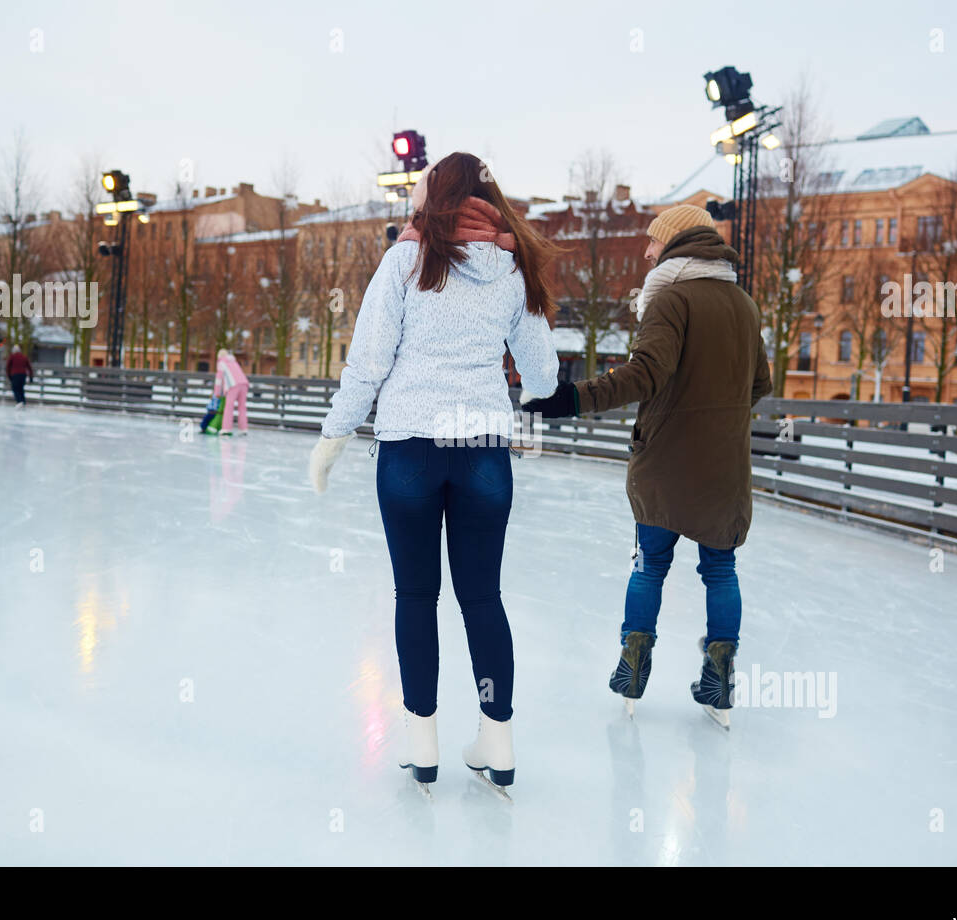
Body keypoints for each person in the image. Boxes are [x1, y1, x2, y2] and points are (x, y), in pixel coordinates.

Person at [308, 152, 560, 794]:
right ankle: (497, 741)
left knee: (415, 596)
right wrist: (505, 385)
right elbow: (544, 377)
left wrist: (334, 433)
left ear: (433, 196)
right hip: (481, 448)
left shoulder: (405, 258)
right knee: (482, 598)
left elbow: (368, 361)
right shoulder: (512, 268)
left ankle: (423, 742)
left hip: (410, 452)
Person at [522, 204, 772, 728]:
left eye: (653, 242)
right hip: (725, 468)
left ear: (677, 244)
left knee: (649, 566)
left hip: (665, 463)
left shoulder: (671, 297)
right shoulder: (744, 304)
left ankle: (633, 667)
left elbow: (644, 375)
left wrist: (569, 399)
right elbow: (761, 385)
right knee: (721, 570)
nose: (646, 251)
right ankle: (720, 675)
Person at [212, 348, 249, 436]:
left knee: (229, 407)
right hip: (244, 383)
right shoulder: (233, 361)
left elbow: (219, 379)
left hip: (233, 385)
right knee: (242, 407)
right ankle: (243, 428)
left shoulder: (221, 363)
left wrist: (216, 393)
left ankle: (226, 428)